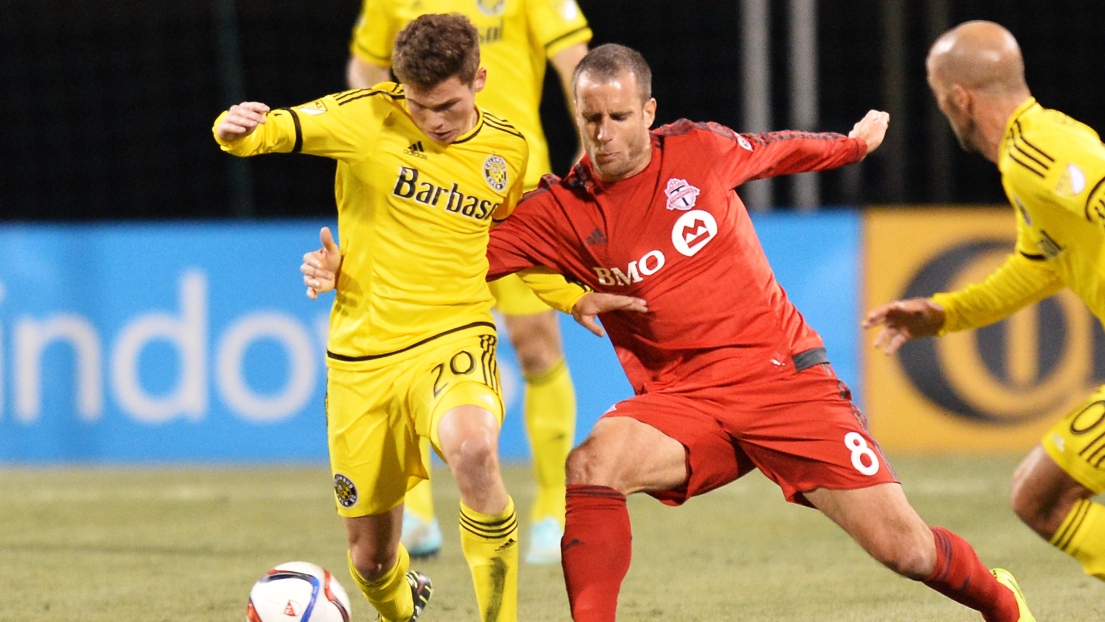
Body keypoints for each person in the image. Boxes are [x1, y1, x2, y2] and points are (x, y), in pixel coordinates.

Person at [306, 42, 1036, 621]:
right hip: (684, 401)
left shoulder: (699, 150)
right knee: (590, 467)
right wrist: (352, 269)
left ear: (647, 112)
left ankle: (998, 600)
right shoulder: (555, 211)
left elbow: (778, 148)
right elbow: (454, 259)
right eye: (590, 118)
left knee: (904, 549)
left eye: (620, 117)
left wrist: (849, 146)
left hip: (783, 379)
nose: (604, 133)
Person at [215, 14, 640, 622]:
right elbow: (272, 131)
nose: (432, 119)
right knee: (369, 561)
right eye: (417, 105)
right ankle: (404, 610)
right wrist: (233, 128)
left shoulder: (507, 149)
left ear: (479, 80)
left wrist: (571, 295)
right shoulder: (364, 117)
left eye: (445, 104)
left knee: (473, 451)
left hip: (455, 335)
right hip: (363, 359)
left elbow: (512, 247)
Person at [345, 0, 593, 564]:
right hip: (423, 195)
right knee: (408, 351)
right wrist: (377, 141)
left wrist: (585, 144)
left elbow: (573, 60)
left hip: (512, 191)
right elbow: (364, 68)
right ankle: (419, 515)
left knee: (536, 345)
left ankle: (553, 510)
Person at [864, 20, 1105, 586]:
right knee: (1039, 496)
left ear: (957, 99)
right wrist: (947, 314)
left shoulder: (1038, 153)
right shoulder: (1033, 158)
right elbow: (1034, 268)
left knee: (1041, 497)